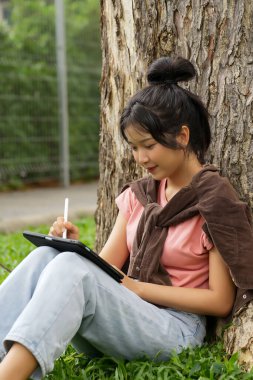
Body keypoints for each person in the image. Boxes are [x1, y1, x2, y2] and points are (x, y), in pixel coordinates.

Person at [1, 56, 253, 380]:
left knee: (66, 266)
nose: (140, 158)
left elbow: (220, 301)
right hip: (120, 320)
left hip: (174, 330)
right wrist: (73, 248)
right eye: (134, 148)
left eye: (148, 145)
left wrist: (138, 289)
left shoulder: (214, 203)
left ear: (183, 136)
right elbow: (103, 269)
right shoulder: (140, 195)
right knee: (47, 256)